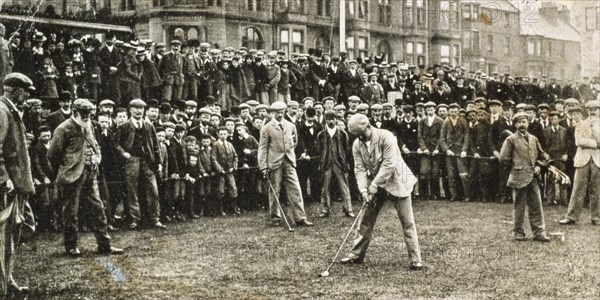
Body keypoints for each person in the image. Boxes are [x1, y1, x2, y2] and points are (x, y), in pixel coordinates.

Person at [339, 114, 424, 270]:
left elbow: (389, 164)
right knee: (365, 218)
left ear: (369, 127)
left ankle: (415, 259)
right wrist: (364, 189)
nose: (360, 138)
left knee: (407, 221)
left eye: (361, 134)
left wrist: (375, 184)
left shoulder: (387, 137)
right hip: (376, 185)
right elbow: (359, 169)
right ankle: (356, 255)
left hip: (399, 180)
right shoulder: (357, 144)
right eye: (356, 136)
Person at [47, 98, 125, 257]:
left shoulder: (90, 126)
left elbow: (95, 144)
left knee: (98, 208)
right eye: (84, 114)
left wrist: (97, 157)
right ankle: (71, 246)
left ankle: (104, 245)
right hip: (72, 176)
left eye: (89, 113)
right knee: (71, 212)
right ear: (75, 112)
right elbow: (52, 155)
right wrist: (66, 169)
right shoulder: (63, 129)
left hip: (91, 174)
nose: (87, 117)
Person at [0, 73, 36, 295]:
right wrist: (5, 178)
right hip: (7, 187)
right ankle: (2, 288)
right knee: (3, 239)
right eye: (25, 92)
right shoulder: (3, 112)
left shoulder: (9, 110)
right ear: (15, 90)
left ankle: (8, 280)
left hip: (16, 187)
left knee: (12, 236)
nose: (27, 96)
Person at [112, 99, 167, 230]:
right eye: (135, 108)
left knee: (153, 190)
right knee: (132, 190)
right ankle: (134, 219)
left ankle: (155, 218)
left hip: (147, 161)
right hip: (132, 161)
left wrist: (159, 162)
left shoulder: (149, 126)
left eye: (141, 109)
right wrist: (123, 153)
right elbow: (115, 143)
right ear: (130, 110)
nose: (138, 111)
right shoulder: (124, 126)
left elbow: (155, 145)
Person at [257, 101, 313, 227]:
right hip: (274, 163)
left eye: (282, 112)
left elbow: (295, 141)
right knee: (274, 190)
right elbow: (262, 148)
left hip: (289, 161)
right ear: (272, 113)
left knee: (295, 188)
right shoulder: (266, 128)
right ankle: (275, 217)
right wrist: (264, 166)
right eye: (277, 113)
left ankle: (300, 217)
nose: (280, 115)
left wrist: (289, 148)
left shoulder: (290, 125)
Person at [499, 112, 551, 242]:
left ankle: (539, 232)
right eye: (519, 122)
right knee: (519, 206)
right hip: (518, 177)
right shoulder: (510, 139)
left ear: (528, 123)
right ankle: (518, 233)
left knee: (536, 205)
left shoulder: (534, 139)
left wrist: (539, 165)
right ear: (515, 124)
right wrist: (516, 166)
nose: (522, 124)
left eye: (524, 122)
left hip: (533, 176)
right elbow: (503, 158)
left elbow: (543, 155)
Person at [559, 100, 600, 225]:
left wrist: (595, 128)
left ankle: (596, 217)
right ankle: (571, 216)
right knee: (577, 189)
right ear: (587, 111)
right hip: (582, 159)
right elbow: (578, 141)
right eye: (590, 109)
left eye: (595, 109)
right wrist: (595, 144)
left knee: (597, 189)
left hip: (598, 159)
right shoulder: (581, 124)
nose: (592, 111)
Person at [316, 110, 354, 218]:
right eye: (328, 119)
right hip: (326, 163)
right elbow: (319, 150)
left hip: (339, 163)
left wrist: (345, 162)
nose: (331, 121)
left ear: (336, 120)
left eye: (332, 119)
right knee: (325, 187)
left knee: (344, 186)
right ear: (325, 120)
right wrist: (321, 161)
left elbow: (347, 149)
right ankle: (325, 209)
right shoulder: (321, 135)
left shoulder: (342, 133)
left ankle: (348, 209)